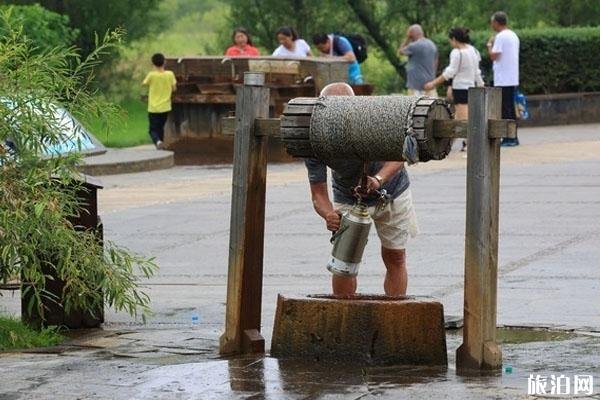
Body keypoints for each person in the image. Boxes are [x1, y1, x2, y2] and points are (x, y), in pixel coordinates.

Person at [304, 82, 418, 296]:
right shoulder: (314, 137)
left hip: (392, 191)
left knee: (395, 256)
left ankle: (394, 316)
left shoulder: (376, 120)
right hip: (347, 195)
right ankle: (344, 317)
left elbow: (400, 154)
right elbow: (318, 192)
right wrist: (328, 213)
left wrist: (378, 179)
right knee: (344, 262)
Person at [424, 27, 484, 152]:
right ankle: (449, 142)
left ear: (454, 39)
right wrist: (481, 85)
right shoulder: (473, 51)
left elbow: (450, 72)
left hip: (460, 88)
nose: (450, 43)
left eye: (450, 40)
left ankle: (470, 144)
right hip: (471, 87)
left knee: (463, 118)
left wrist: (433, 83)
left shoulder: (457, 53)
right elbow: (477, 72)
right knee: (460, 116)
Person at [487, 11, 520, 146]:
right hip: (511, 77)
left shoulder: (500, 37)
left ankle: (509, 137)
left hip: (503, 78)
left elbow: (494, 56)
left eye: (492, 22)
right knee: (510, 108)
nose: (491, 25)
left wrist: (489, 45)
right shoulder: (513, 35)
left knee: (505, 109)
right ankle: (513, 136)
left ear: (496, 22)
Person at [142, 53, 177, 150]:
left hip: (153, 108)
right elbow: (174, 88)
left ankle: (158, 141)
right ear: (164, 62)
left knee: (152, 130)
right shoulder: (170, 74)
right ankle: (160, 146)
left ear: (153, 63)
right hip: (165, 107)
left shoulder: (151, 75)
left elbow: (144, 84)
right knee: (160, 128)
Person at [397, 24, 438, 97]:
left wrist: (407, 38)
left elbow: (400, 51)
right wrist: (433, 79)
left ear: (412, 34)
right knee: (431, 106)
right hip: (430, 83)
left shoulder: (414, 46)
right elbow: (436, 61)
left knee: (415, 107)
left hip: (415, 84)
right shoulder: (432, 44)